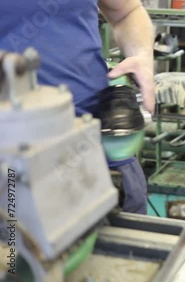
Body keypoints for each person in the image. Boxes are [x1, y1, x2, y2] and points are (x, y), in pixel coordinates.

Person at [0, 0, 155, 214]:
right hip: (12, 161)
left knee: (130, 243)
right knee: (19, 243)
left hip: (98, 142)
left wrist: (142, 55)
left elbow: (127, 12)